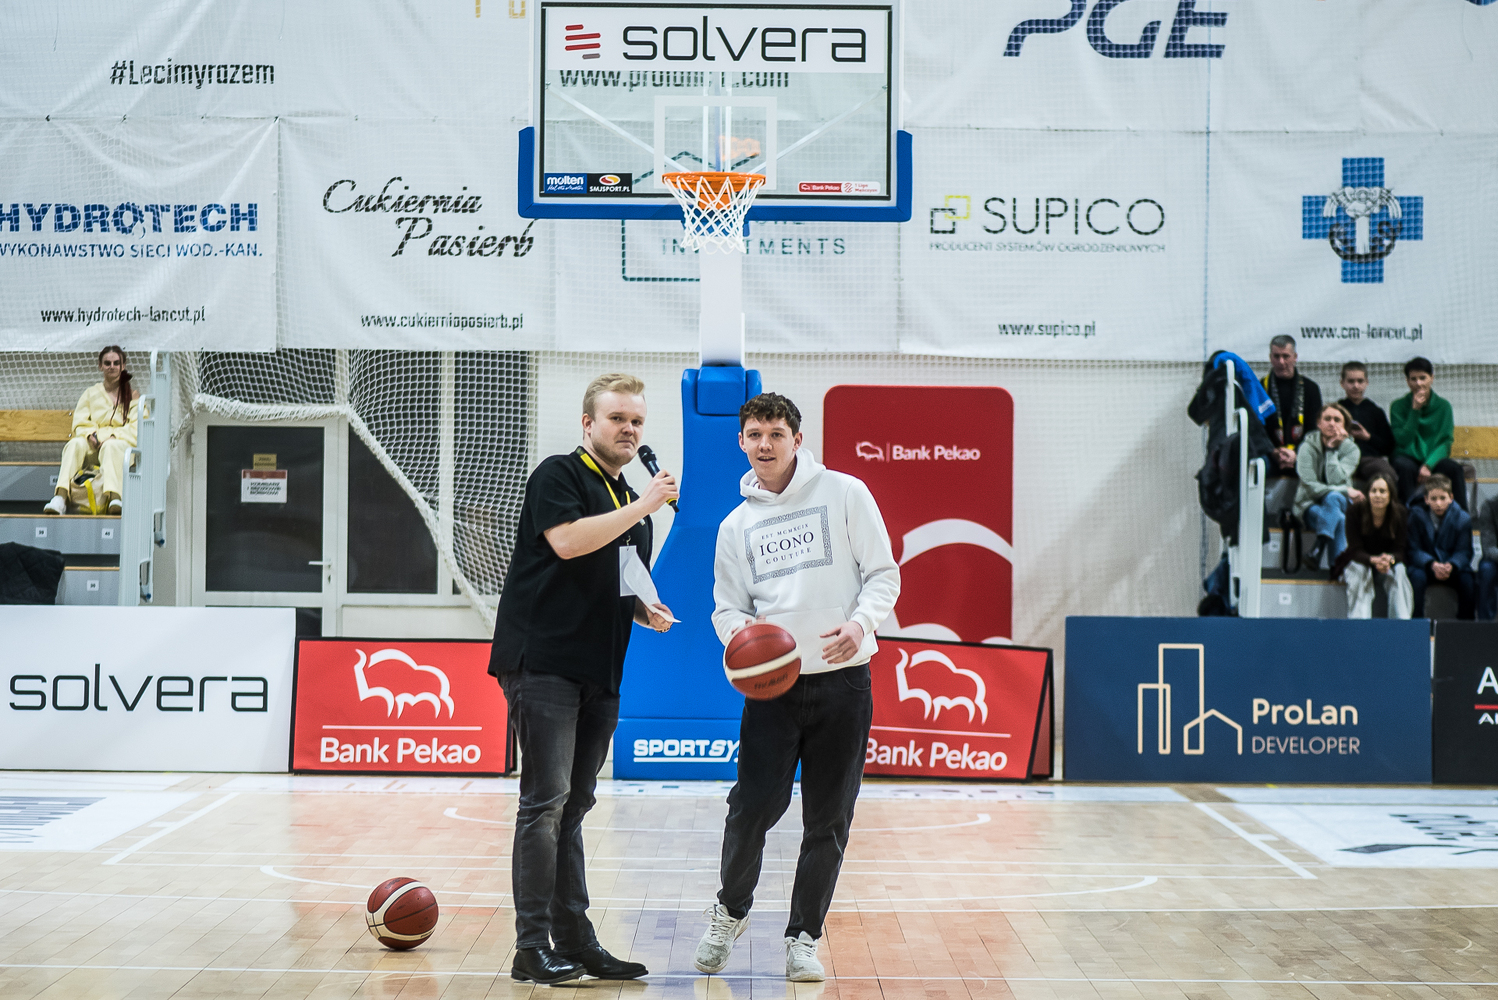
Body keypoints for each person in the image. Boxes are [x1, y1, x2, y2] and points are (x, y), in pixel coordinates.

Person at [697, 392, 900, 983]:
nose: (765, 445)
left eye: (776, 434)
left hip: (844, 681)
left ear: (797, 439)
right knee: (752, 808)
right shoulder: (735, 526)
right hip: (774, 690)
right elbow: (727, 609)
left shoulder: (845, 492)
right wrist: (746, 639)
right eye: (755, 434)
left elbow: (883, 574)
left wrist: (860, 624)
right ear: (741, 441)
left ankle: (803, 937)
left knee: (829, 817)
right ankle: (730, 911)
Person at [486, 373, 677, 985]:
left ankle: (576, 941)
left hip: (601, 668)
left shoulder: (629, 500)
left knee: (573, 807)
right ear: (589, 424)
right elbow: (568, 543)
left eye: (637, 421)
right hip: (543, 661)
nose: (629, 430)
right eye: (617, 418)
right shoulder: (559, 474)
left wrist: (644, 608)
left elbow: (618, 577)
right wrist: (645, 506)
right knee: (544, 803)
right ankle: (530, 948)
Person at [42, 346, 140, 515]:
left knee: (111, 446)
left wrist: (113, 436)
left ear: (123, 366)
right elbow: (80, 422)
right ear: (100, 366)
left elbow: (136, 427)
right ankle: (60, 498)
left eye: (116, 363)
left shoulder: (133, 395)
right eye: (107, 363)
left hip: (118, 446)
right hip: (94, 445)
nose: (112, 366)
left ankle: (116, 498)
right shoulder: (90, 393)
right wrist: (90, 436)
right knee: (74, 444)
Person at [1390, 356, 1468, 512]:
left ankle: (1462, 519)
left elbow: (1445, 442)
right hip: (1408, 457)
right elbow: (1402, 440)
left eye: (1422, 378)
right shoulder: (1398, 406)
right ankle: (1410, 516)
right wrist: (1415, 411)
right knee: (1402, 467)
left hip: (1433, 459)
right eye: (1413, 379)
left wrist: (1428, 465)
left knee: (1454, 469)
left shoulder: (1443, 406)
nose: (1418, 383)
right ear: (1407, 381)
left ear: (1431, 378)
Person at [1294, 403, 1363, 568]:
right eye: (1327, 419)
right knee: (1339, 518)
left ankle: (1318, 549)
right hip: (1309, 504)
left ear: (1344, 426)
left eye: (1337, 420)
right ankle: (1337, 571)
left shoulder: (1351, 450)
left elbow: (1335, 480)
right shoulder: (1306, 447)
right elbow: (1309, 485)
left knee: (1333, 498)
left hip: (1340, 503)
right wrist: (1345, 490)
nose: (1332, 423)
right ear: (1319, 423)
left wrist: (1331, 450)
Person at [1335, 473, 1413, 619]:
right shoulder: (1354, 512)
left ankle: (1401, 623)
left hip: (1387, 562)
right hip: (1360, 560)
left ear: (1390, 495)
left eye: (1382, 491)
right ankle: (1360, 624)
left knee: (1400, 571)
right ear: (1367, 494)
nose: (1377, 495)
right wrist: (1374, 560)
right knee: (1360, 572)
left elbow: (1400, 549)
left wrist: (1389, 559)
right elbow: (1354, 549)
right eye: (1373, 491)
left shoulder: (1400, 513)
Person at [1407, 475, 1475, 619]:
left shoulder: (1463, 518)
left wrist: (1452, 565)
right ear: (1426, 499)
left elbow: (1465, 551)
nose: (1438, 503)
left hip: (1452, 568)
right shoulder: (1416, 516)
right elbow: (1413, 549)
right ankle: (1417, 623)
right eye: (1433, 498)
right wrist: (1431, 563)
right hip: (1426, 567)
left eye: (1442, 498)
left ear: (1451, 497)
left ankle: (1466, 625)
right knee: (1416, 578)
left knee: (1468, 582)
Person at [1261, 335, 1322, 478]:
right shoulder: (1261, 388)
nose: (1281, 362)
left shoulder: (1311, 388)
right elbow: (1257, 429)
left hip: (1303, 453)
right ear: (1270, 358)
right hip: (1270, 454)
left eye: (1286, 356)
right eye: (1276, 356)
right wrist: (1274, 452)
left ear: (1295, 357)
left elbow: (1314, 429)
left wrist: (1296, 453)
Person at [1334, 361, 1397, 487]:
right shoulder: (1336, 410)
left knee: (1387, 473)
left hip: (1368, 459)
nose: (1356, 386)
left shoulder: (1375, 411)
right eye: (1351, 381)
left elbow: (1389, 446)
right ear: (1342, 383)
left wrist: (1368, 437)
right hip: (1341, 457)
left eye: (1360, 381)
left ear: (1366, 382)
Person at [1478, 495, 1498, 621]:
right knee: (1487, 570)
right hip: (1495, 559)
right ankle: (1485, 624)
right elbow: (1488, 547)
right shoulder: (1490, 505)